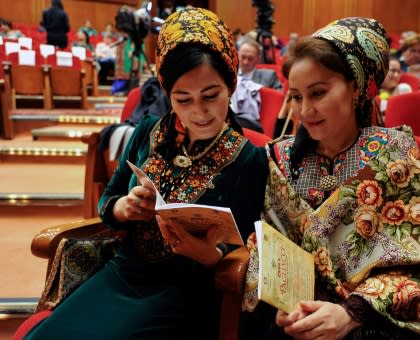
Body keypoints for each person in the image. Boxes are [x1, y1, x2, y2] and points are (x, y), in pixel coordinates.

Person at [24, 7, 268, 339]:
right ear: (167, 94)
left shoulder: (248, 159)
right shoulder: (148, 131)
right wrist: (125, 207)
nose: (199, 112)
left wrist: (207, 254)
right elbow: (108, 201)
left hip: (186, 289)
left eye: (211, 96)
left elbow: (249, 249)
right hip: (124, 271)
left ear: (232, 84)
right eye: (183, 99)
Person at [241, 17, 420, 339]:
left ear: (355, 87)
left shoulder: (392, 153)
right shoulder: (281, 159)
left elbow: (419, 261)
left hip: (377, 316)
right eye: (297, 97)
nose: (305, 110)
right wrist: (282, 301)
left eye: (319, 92)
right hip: (302, 312)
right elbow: (268, 243)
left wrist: (350, 313)